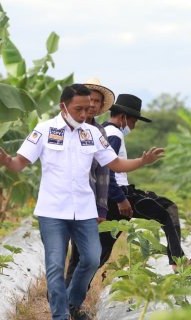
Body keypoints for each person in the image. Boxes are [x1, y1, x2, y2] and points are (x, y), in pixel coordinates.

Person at [0, 84, 164, 320]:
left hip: (84, 210)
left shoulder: (93, 133)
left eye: (87, 109)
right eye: (79, 109)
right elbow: (19, 163)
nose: (84, 114)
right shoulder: (44, 130)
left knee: (92, 258)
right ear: (64, 106)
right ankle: (60, 319)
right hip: (52, 210)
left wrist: (142, 161)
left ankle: (73, 301)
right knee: (55, 264)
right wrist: (7, 162)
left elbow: (114, 163)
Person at [100, 94, 191, 271]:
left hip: (114, 195)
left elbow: (116, 165)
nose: (133, 127)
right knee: (167, 210)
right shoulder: (114, 134)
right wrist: (120, 198)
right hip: (119, 195)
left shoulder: (104, 131)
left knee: (102, 250)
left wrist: (142, 161)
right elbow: (107, 169)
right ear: (123, 117)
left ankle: (70, 291)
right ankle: (178, 262)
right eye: (133, 122)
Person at [65, 78, 115, 287]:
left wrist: (101, 208)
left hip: (88, 202)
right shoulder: (65, 127)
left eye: (97, 102)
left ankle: (72, 301)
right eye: (90, 100)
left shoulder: (100, 132)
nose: (93, 105)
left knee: (83, 255)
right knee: (61, 253)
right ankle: (61, 298)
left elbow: (104, 173)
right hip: (63, 199)